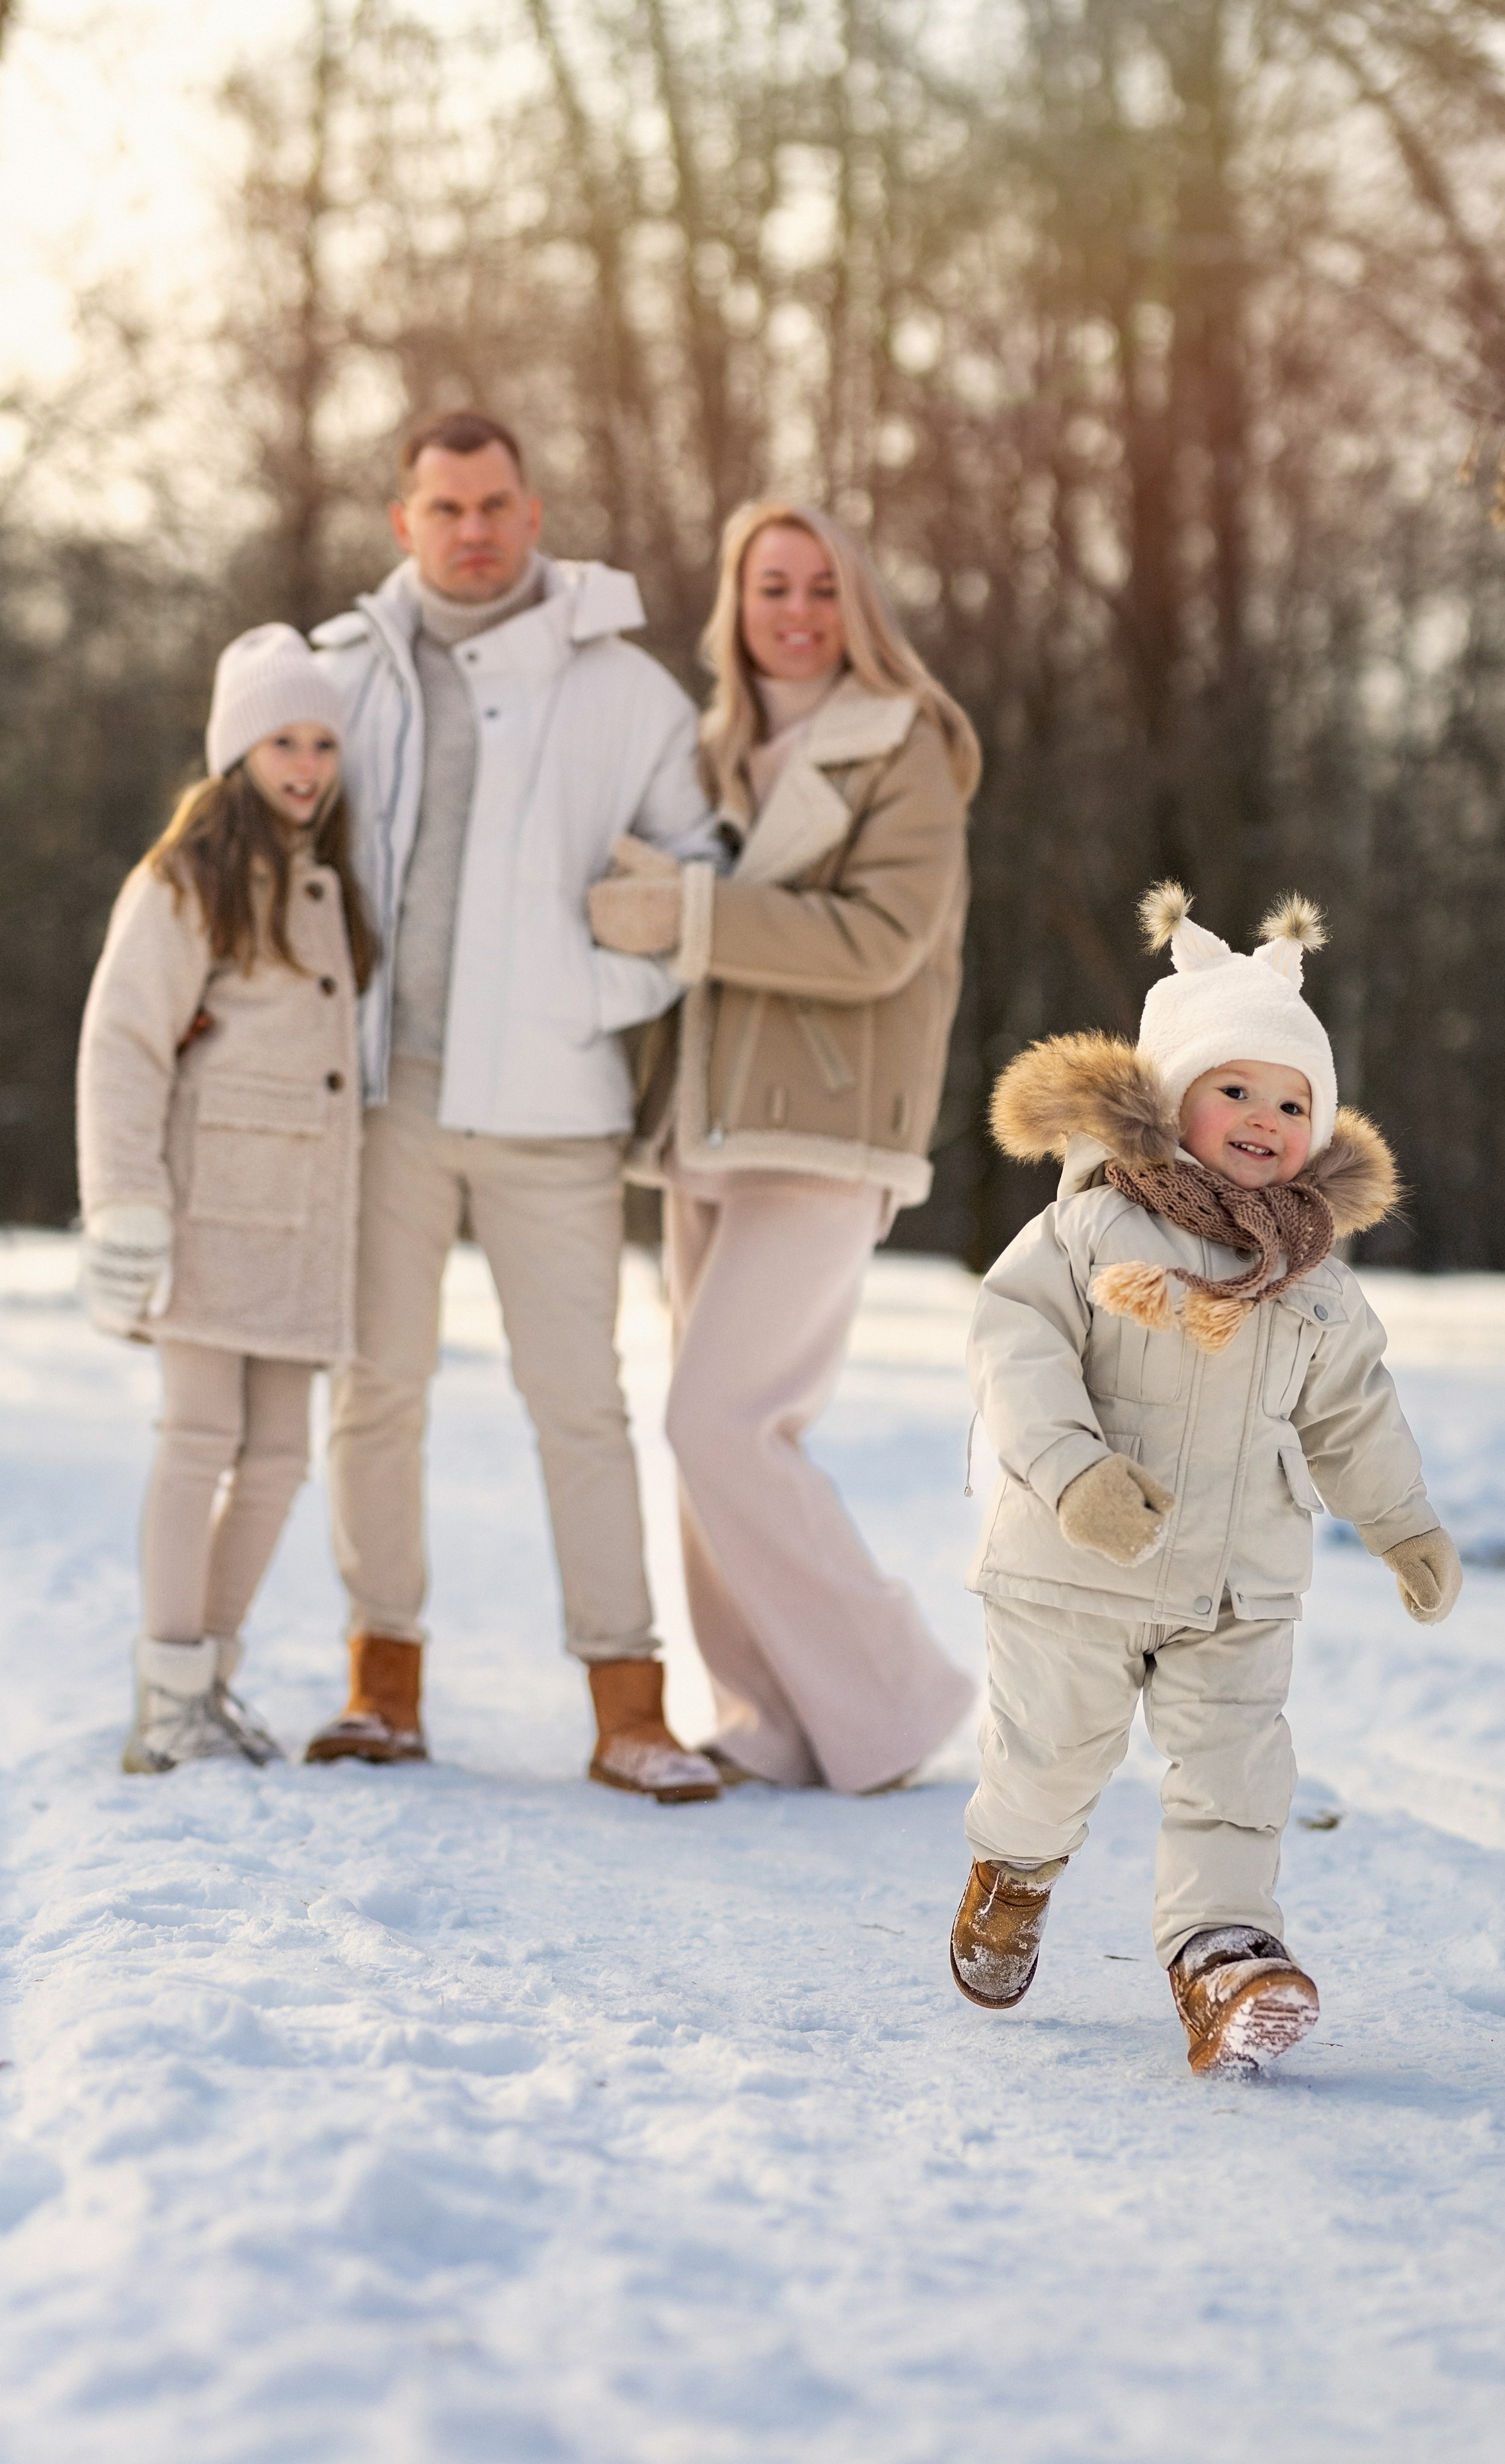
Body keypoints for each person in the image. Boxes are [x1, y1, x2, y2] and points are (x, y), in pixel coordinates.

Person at [950, 883, 1463, 2074]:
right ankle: (1013, 1869)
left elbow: (1354, 1411)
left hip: (1237, 1585)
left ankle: (1223, 1954)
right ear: (1172, 1094)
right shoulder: (1089, 1229)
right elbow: (1014, 1349)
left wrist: (1403, 1523)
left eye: (1292, 1101)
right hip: (1077, 1566)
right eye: (1234, 1088)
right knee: (1048, 1763)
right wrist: (1073, 1474)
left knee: (1239, 1772)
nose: (1263, 1117)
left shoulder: (1313, 1278)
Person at [302, 409, 722, 1801]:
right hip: (387, 1098)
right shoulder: (342, 677)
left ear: (534, 514)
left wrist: (581, 992)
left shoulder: (629, 695)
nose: (471, 530)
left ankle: (628, 1707)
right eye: (445, 507)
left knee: (580, 1403)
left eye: (494, 505)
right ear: (403, 523)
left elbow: (697, 889)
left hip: (554, 1104)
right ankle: (381, 1685)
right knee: (376, 1388)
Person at [588, 500, 977, 1793]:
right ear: (736, 604)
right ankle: (766, 1717)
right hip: (707, 1124)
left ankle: (897, 1697)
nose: (796, 612)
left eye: (820, 587)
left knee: (721, 1422)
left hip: (825, 1125)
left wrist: (690, 914)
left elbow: (881, 940)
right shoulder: (709, 750)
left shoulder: (904, 745)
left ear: (855, 605)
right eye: (772, 587)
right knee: (709, 1435)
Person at [77, 625, 371, 1773]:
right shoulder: (185, 878)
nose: (305, 764)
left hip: (300, 1220)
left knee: (282, 1458)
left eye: (322, 742)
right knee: (199, 1439)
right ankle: (166, 1703)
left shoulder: (323, 878)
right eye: (281, 740)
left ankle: (206, 1680)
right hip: (207, 1207)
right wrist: (127, 1200)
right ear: (237, 749)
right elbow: (123, 1040)